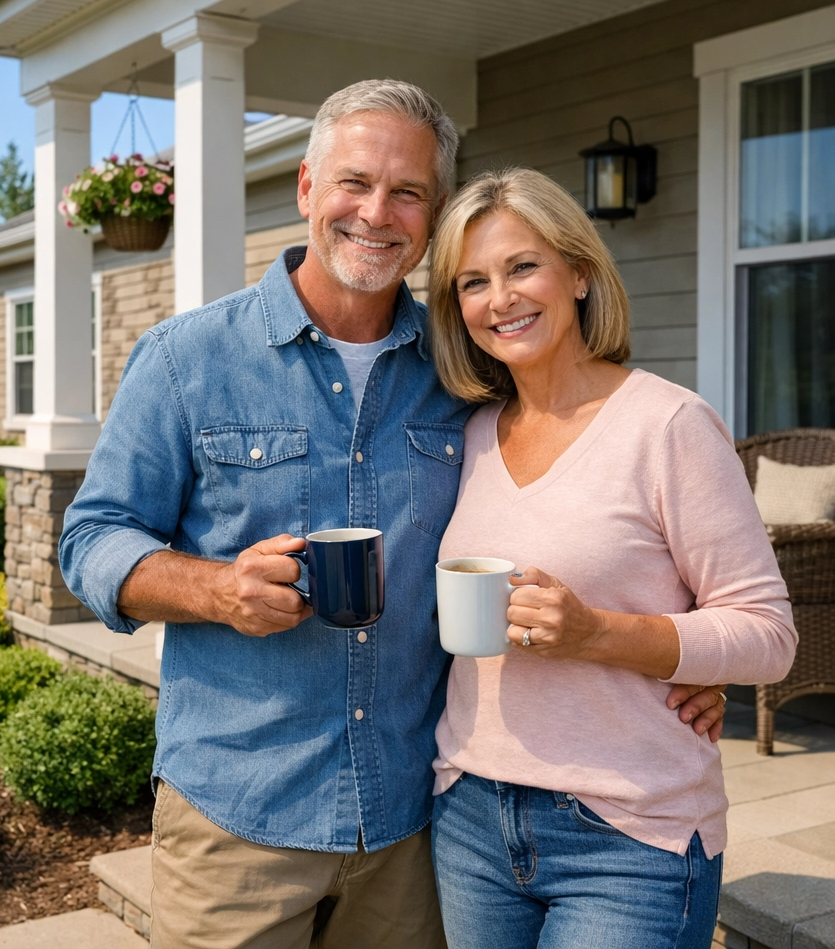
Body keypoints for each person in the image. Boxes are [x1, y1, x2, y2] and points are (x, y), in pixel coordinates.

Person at [59, 82, 726, 949]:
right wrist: (216, 589)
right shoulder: (187, 360)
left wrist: (685, 653)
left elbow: (577, 500)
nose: (377, 213)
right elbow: (92, 539)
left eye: (407, 191)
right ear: (307, 188)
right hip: (240, 819)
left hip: (413, 826)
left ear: (435, 214)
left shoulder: (468, 371)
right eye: (355, 182)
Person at [425, 167, 797, 949]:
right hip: (470, 817)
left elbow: (767, 634)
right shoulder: (467, 434)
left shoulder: (668, 425)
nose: (501, 298)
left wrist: (599, 634)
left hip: (628, 832)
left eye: (523, 266)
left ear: (580, 273)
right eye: (473, 282)